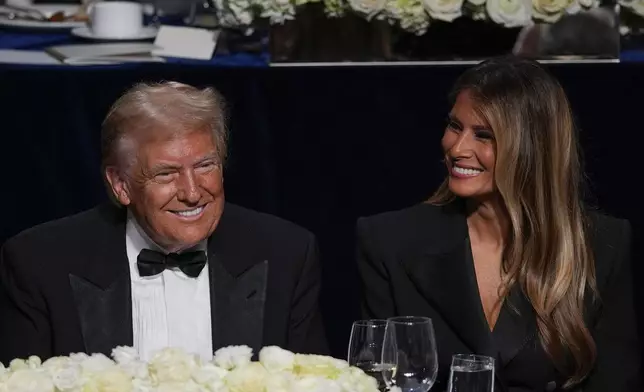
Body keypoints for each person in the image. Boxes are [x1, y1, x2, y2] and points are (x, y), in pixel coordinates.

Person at [356, 56, 641, 392]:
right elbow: (372, 380)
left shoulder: (600, 244)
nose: (458, 148)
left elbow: (616, 382)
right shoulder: (389, 241)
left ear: (532, 148)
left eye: (484, 135)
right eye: (454, 126)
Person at [0, 81, 327, 365]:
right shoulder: (40, 264)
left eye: (204, 165)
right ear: (120, 185)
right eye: (166, 173)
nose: (192, 192)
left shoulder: (286, 254)